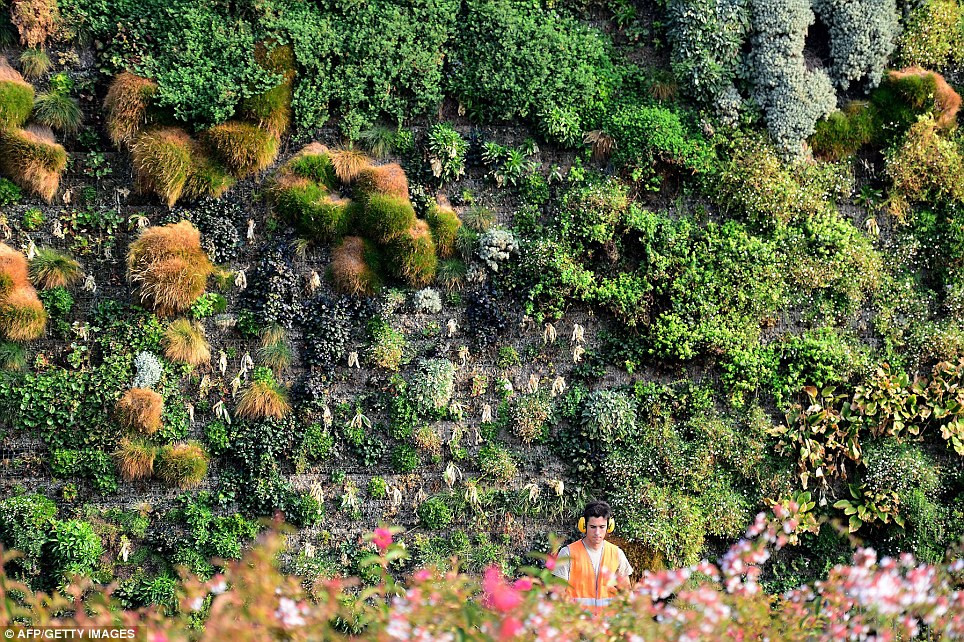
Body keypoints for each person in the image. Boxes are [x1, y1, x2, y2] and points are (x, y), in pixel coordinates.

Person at [551, 500, 633, 611]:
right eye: (593, 527)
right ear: (584, 526)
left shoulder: (616, 553)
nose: (597, 532)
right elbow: (559, 593)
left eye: (602, 527)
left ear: (609, 527)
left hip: (608, 620)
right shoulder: (568, 553)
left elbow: (626, 592)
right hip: (578, 620)